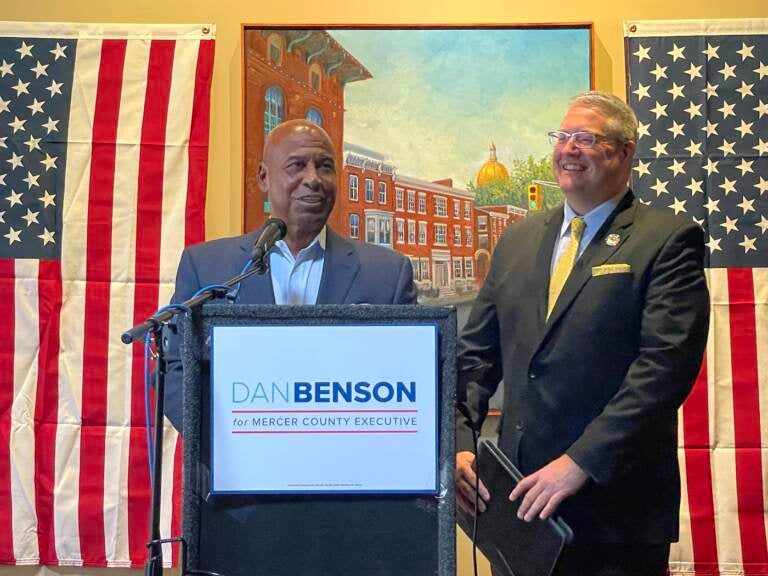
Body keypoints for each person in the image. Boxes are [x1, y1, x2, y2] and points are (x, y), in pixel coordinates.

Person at [455, 92, 709, 576]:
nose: (569, 148)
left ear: (626, 152)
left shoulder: (668, 239)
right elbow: (475, 358)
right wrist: (461, 444)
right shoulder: (518, 239)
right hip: (517, 510)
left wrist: (579, 462)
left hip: (615, 514)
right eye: (562, 136)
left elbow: (663, 370)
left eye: (586, 138)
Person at [164, 119, 416, 432]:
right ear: (263, 178)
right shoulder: (207, 267)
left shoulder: (387, 274)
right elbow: (175, 369)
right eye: (296, 165)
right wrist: (233, 440)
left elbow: (410, 374)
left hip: (349, 465)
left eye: (325, 166)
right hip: (239, 469)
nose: (313, 179)